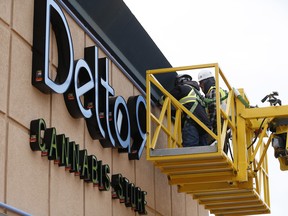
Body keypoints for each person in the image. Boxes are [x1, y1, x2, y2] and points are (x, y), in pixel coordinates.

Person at [158, 74, 211, 147]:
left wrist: (159, 103)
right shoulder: (198, 95)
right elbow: (183, 112)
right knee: (203, 152)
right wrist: (169, 112)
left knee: (190, 150)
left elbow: (166, 98)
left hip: (192, 122)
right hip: (204, 126)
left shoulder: (182, 88)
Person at [198, 70, 229, 149]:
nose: (200, 87)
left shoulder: (213, 91)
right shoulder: (220, 90)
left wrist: (209, 127)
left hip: (218, 125)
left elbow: (214, 109)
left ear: (205, 82)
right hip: (224, 124)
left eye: (201, 83)